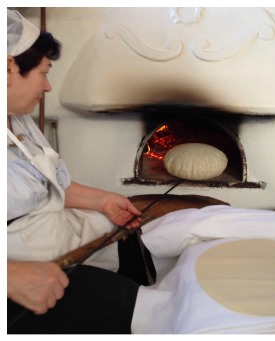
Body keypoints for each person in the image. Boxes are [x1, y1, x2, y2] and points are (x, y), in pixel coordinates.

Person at [7, 9, 144, 333]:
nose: (48, 86)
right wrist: (10, 277)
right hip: (26, 268)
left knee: (131, 260)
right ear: (8, 68)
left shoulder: (16, 119)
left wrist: (103, 200)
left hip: (58, 244)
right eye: (43, 73)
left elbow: (49, 183)